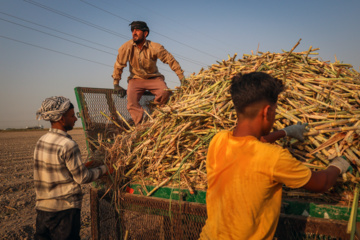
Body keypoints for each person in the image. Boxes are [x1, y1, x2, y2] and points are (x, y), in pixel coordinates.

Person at [199, 72, 350, 240]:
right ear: (268, 111)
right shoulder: (274, 158)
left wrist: (285, 132)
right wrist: (338, 164)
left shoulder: (218, 140)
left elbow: (253, 144)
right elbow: (321, 183)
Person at [34, 96, 109, 240]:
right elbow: (82, 178)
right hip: (64, 211)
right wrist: (106, 169)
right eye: (72, 115)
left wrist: (83, 166)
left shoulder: (41, 141)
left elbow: (58, 169)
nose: (75, 119)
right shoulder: (68, 145)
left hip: (43, 209)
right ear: (61, 118)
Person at [112, 21, 185, 125]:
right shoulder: (126, 47)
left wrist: (181, 77)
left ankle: (155, 113)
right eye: (132, 30)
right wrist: (116, 83)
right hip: (136, 79)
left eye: (137, 30)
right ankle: (140, 125)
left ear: (145, 33)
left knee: (164, 92)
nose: (134, 33)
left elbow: (170, 60)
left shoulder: (155, 47)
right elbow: (119, 65)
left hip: (153, 78)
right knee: (131, 102)